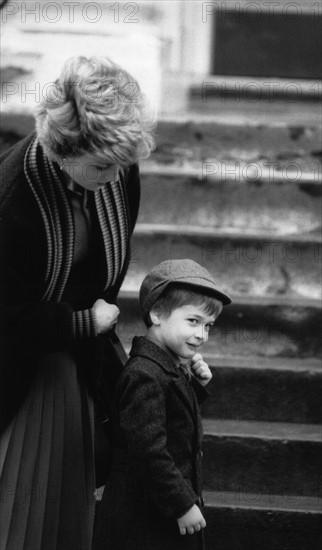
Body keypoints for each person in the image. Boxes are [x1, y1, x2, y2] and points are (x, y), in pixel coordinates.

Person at [0, 55, 155, 550]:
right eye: (103, 166)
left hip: (76, 358)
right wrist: (82, 322)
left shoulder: (117, 169)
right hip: (22, 364)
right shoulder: (12, 200)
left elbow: (104, 268)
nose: (116, 178)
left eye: (123, 165)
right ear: (62, 149)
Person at [93, 259, 232, 550]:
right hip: (141, 517)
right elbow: (148, 450)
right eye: (193, 321)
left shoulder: (165, 366)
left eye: (208, 326)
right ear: (157, 313)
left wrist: (194, 385)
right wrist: (181, 504)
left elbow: (170, 417)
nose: (201, 335)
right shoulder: (144, 373)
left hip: (156, 511)